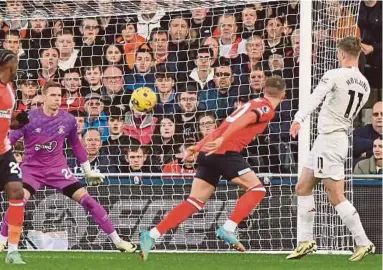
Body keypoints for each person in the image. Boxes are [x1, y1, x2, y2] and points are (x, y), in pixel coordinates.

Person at [139, 75, 287, 261]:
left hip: (210, 152)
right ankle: (229, 228)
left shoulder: (250, 103)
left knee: (194, 202)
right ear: (284, 95)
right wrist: (222, 141)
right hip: (225, 152)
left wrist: (197, 147)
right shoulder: (266, 109)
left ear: (263, 89)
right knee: (257, 189)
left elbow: (220, 128)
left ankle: (151, 235)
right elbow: (239, 123)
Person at [0, 81, 137, 254]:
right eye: (53, 95)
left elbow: (77, 146)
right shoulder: (28, 118)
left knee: (89, 201)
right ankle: (2, 241)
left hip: (58, 170)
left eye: (59, 95)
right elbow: (9, 140)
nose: (57, 99)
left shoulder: (68, 120)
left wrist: (87, 171)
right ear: (43, 97)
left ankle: (118, 241)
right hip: (32, 171)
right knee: (18, 202)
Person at [287, 36, 374, 262]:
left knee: (336, 197)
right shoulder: (364, 85)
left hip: (331, 140)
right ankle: (305, 241)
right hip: (330, 139)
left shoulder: (334, 75)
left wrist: (298, 119)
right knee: (303, 187)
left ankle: (363, 242)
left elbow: (315, 98)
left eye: (337, 54)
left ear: (342, 54)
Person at [0, 49, 28, 264]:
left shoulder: (10, 88)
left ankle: (12, 251)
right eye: (16, 64)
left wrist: (21, 121)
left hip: (4, 151)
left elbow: (7, 122)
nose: (18, 68)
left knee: (17, 192)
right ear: (9, 66)